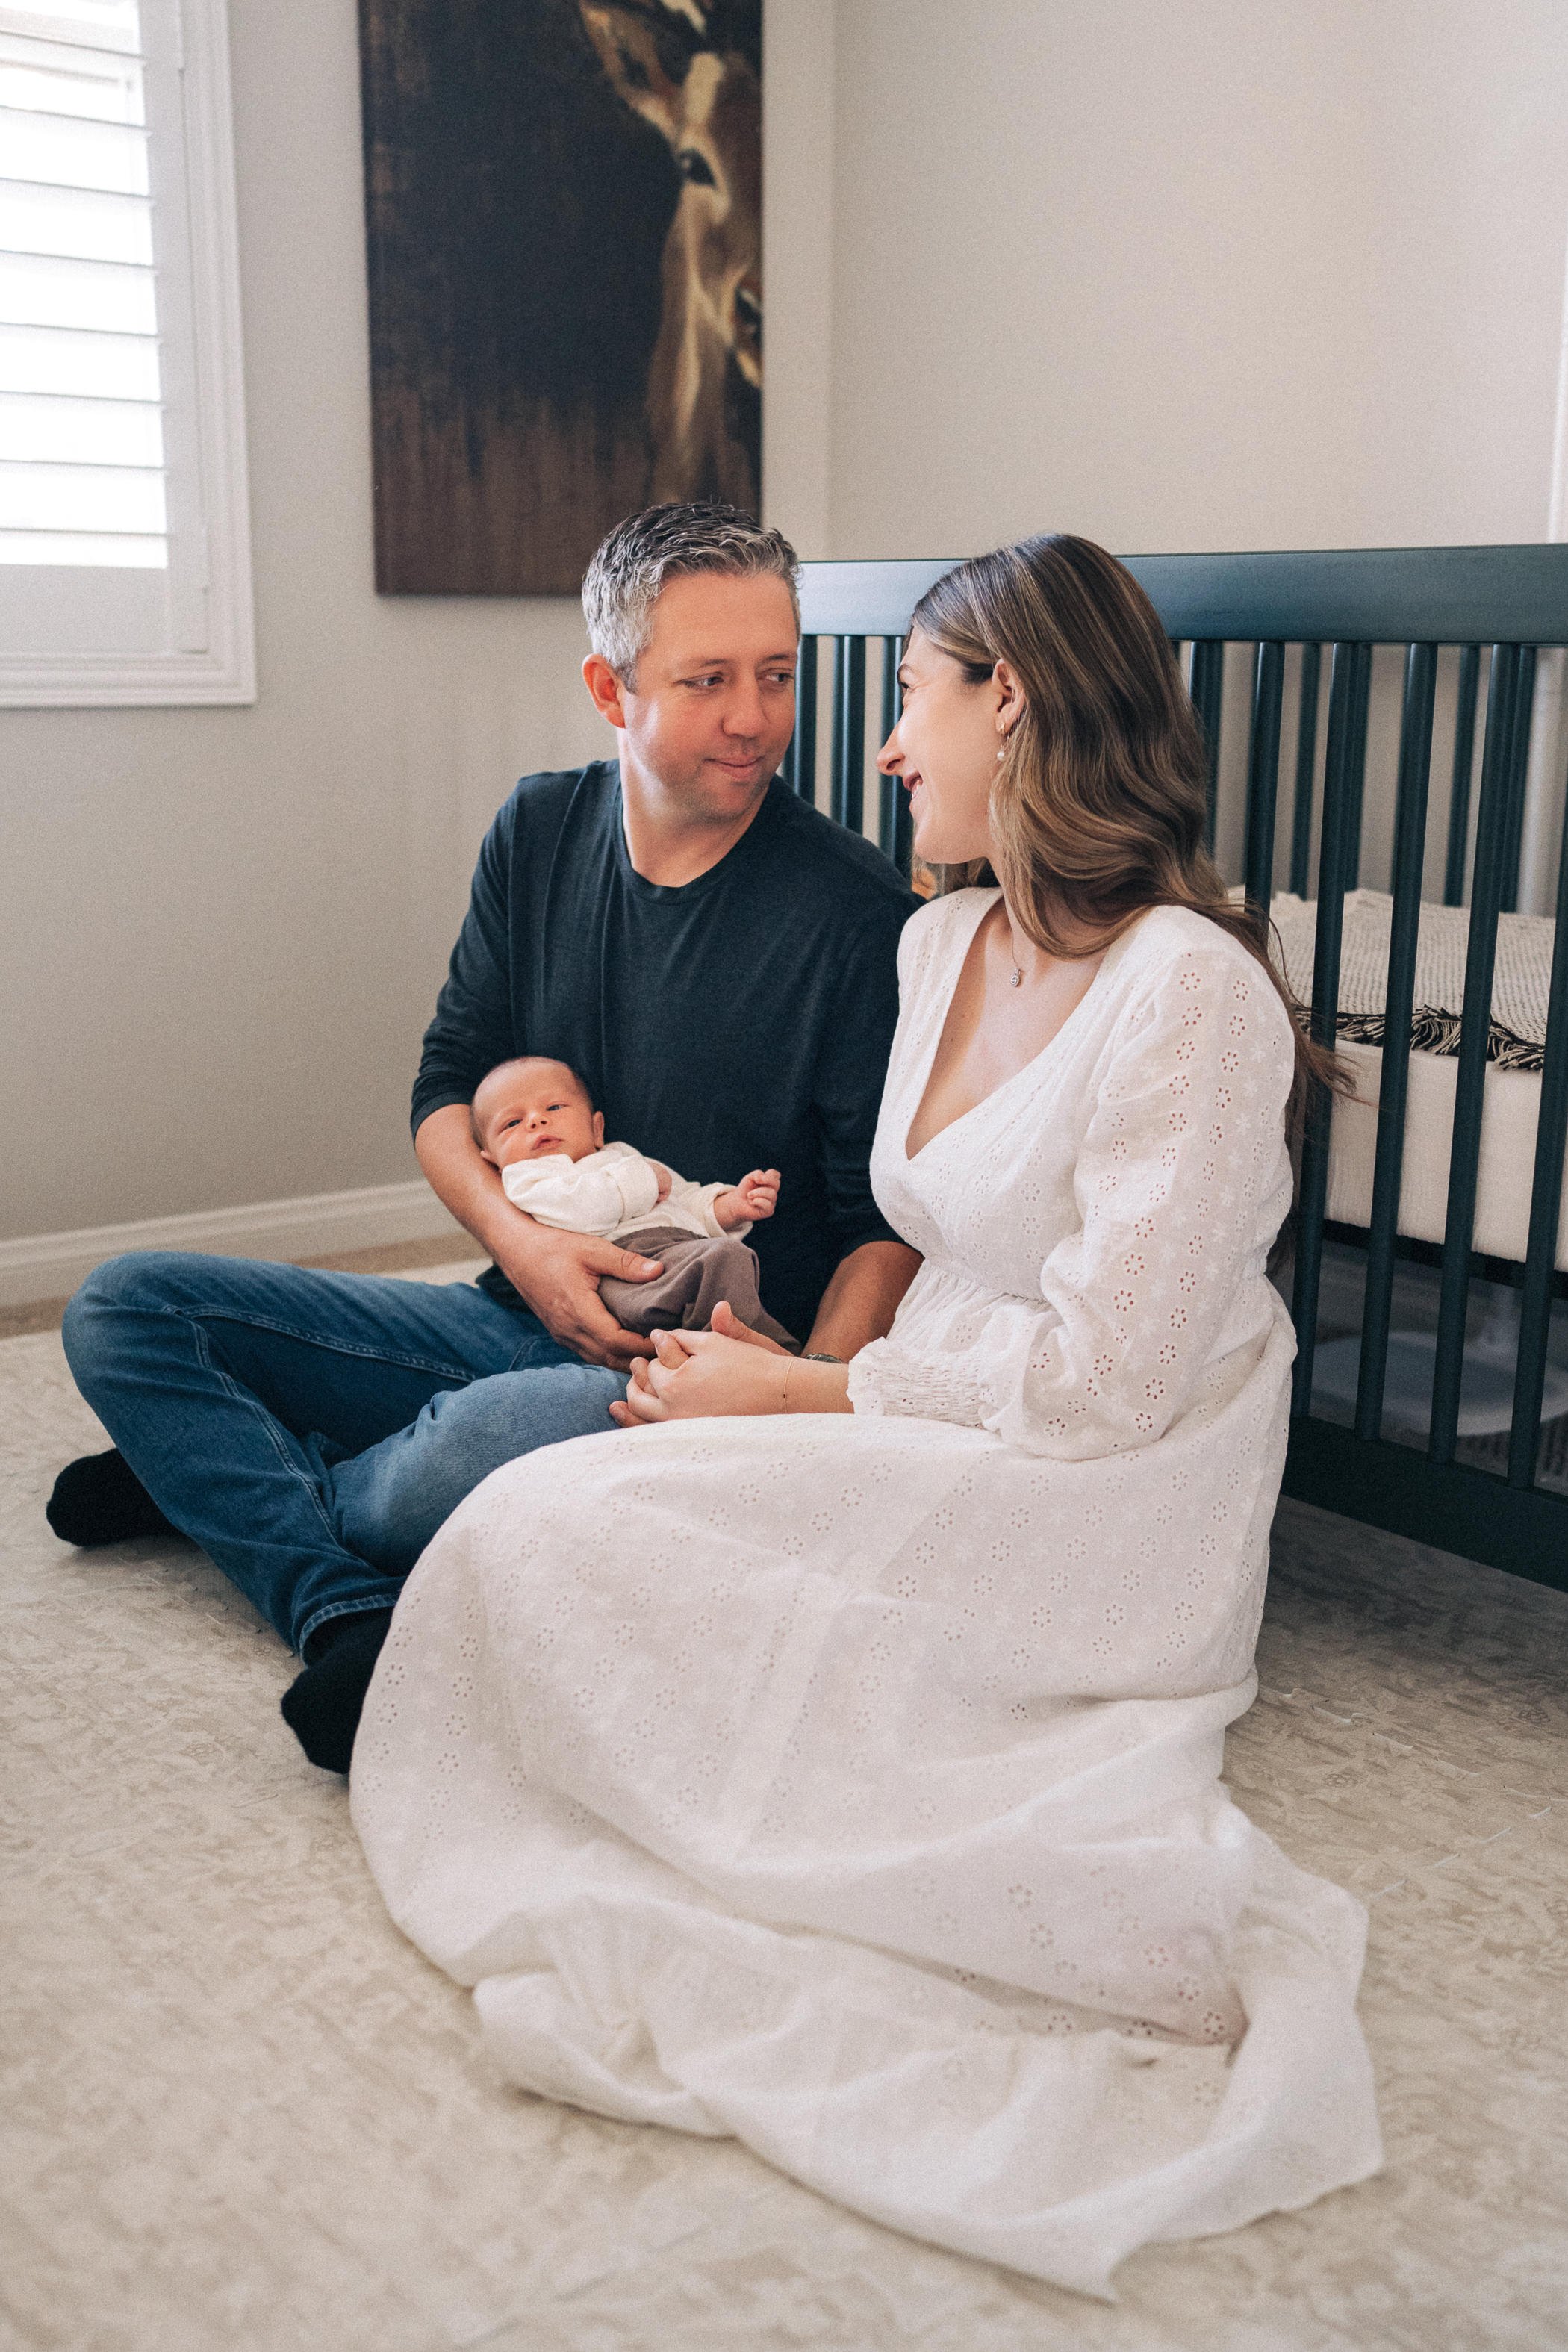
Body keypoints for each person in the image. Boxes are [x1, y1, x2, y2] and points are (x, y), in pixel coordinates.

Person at [349, 534, 1381, 2294]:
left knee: (542, 1517)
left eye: (910, 697)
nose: (883, 746)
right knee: (546, 1519)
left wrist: (805, 1395)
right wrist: (766, 1338)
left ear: (1018, 705)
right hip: (919, 1397)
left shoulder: (1192, 993)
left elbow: (1110, 1383)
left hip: (1096, 1476)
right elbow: (906, 1227)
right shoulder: (945, 940)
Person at [50, 502, 920, 1770]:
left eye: (778, 675)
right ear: (608, 688)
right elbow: (446, 1085)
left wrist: (795, 1419)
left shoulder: (854, 912)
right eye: (709, 679)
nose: (755, 716)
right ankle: (336, 1592)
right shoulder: (538, 831)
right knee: (123, 1307)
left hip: (674, 1381)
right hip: (504, 1306)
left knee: (450, 1464)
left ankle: (234, 1483)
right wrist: (523, 1249)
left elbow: (884, 1223)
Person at [472, 1051, 794, 1346]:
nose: (535, 1121)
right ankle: (725, 1358)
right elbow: (583, 1210)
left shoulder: (621, 1156)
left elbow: (683, 1202)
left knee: (733, 1269)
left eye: (554, 1108)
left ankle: (774, 1356)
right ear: (492, 1160)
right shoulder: (526, 1179)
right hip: (621, 1275)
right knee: (721, 1261)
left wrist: (731, 1206)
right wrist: (643, 1180)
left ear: (597, 1128)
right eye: (512, 1123)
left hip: (681, 1251)